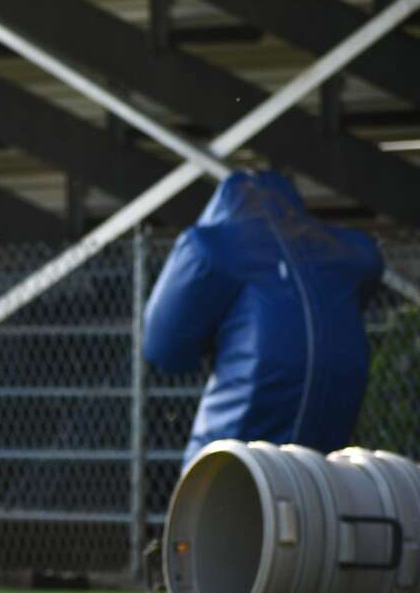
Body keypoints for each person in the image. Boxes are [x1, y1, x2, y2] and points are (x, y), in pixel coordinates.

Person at [143, 169, 383, 468]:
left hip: (237, 449)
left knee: (225, 482)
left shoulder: (214, 247)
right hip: (324, 459)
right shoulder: (342, 250)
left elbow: (163, 347)